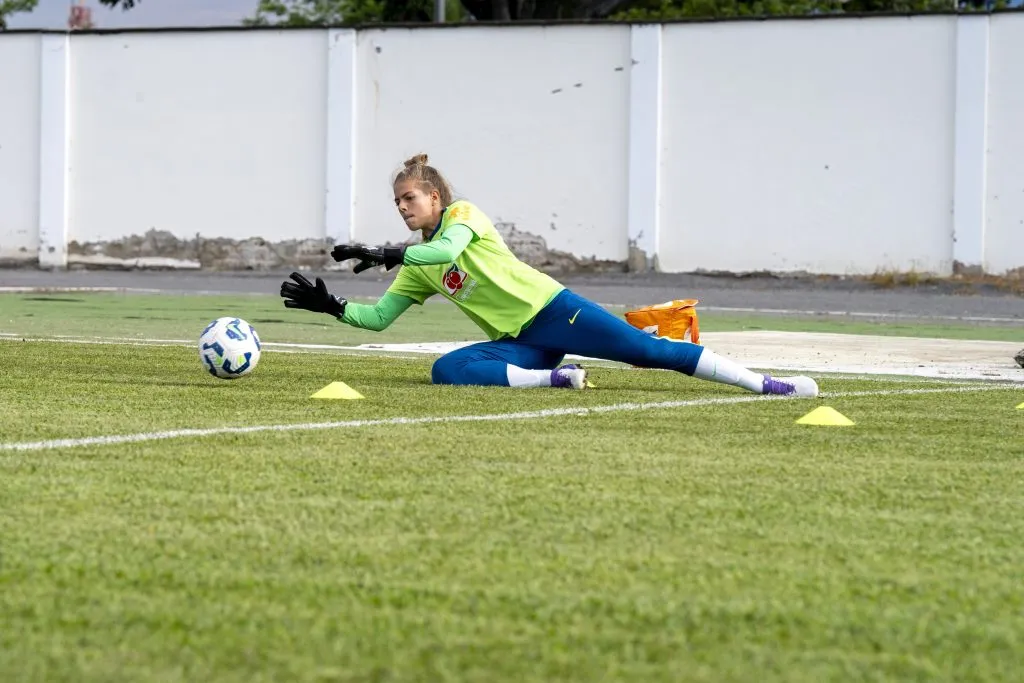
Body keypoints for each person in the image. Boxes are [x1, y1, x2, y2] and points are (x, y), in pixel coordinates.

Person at [279, 153, 819, 397]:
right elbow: (377, 319)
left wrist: (391, 252)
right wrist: (333, 306)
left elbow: (447, 247)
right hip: (522, 343)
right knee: (447, 370)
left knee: (649, 355)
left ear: (435, 196)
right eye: (396, 201)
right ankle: (556, 379)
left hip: (556, 311)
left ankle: (767, 384)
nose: (402, 206)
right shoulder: (418, 265)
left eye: (409, 197)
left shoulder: (464, 217)